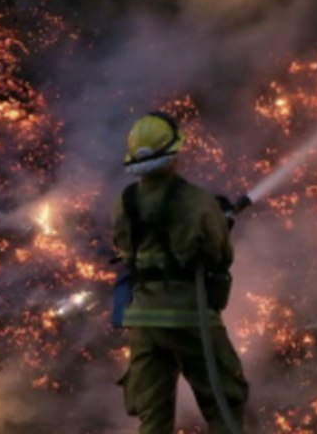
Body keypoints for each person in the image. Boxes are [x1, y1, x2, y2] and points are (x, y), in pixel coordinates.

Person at [112, 111, 249, 434]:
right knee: (224, 400)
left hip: (144, 319)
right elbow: (219, 256)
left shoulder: (124, 201)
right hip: (191, 317)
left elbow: (126, 251)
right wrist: (221, 222)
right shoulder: (197, 200)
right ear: (174, 153)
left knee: (153, 414)